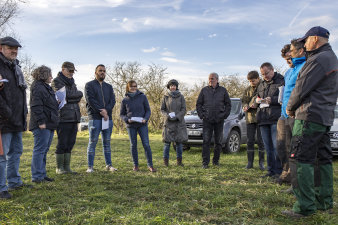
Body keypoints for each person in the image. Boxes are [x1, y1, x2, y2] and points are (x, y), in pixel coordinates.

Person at [283, 26, 338, 218]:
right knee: (323, 158)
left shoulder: (318, 59)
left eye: (306, 40)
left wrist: (290, 107)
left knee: (300, 158)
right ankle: (324, 201)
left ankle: (305, 206)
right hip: (324, 116)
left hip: (309, 115)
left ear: (315, 39)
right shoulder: (330, 57)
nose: (304, 44)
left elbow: (301, 87)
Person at [0, 37, 29, 199]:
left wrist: (23, 112)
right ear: (1, 48)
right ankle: (1, 187)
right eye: (10, 48)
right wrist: (6, 112)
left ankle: (14, 181)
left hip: (17, 118)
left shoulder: (15, 66)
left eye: (16, 48)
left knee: (16, 151)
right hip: (4, 119)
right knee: (1, 156)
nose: (14, 51)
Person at [276, 41, 306, 191]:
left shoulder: (304, 66)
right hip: (284, 115)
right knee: (284, 147)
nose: (288, 62)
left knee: (296, 150)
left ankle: (298, 184)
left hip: (296, 114)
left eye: (289, 58)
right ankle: (288, 177)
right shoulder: (288, 72)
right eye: (285, 60)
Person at [52, 62, 83, 174]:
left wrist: (75, 95)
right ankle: (59, 168)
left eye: (73, 71)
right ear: (63, 69)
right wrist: (75, 94)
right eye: (70, 71)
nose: (72, 73)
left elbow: (78, 95)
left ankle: (67, 167)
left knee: (71, 142)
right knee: (62, 142)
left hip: (74, 116)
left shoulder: (72, 83)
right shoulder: (56, 81)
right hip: (63, 117)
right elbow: (65, 96)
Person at [29, 66, 59, 183]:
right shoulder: (37, 87)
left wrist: (56, 102)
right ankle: (37, 176)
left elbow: (47, 103)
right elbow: (36, 106)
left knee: (44, 150)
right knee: (40, 150)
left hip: (49, 123)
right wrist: (41, 122)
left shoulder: (46, 87)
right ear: (44, 74)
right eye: (50, 74)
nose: (51, 77)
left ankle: (42, 174)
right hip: (42, 124)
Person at [84, 64, 116, 173]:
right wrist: (101, 111)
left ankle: (109, 165)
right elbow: (90, 100)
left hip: (107, 118)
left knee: (107, 142)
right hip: (95, 118)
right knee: (92, 142)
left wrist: (106, 111)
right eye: (100, 71)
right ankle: (90, 167)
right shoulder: (89, 85)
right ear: (95, 72)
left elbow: (113, 101)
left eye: (104, 71)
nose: (102, 72)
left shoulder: (109, 87)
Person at [196, 72, 231, 169]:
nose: (210, 80)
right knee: (206, 141)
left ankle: (216, 161)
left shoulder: (223, 90)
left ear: (217, 80)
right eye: (209, 78)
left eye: (212, 78)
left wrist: (224, 115)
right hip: (207, 120)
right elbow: (198, 104)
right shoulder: (204, 90)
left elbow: (228, 104)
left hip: (219, 120)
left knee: (218, 142)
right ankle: (205, 163)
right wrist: (201, 115)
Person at [255, 62, 284, 178]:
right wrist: (257, 101)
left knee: (276, 146)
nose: (265, 76)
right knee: (268, 147)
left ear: (272, 70)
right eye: (262, 74)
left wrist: (272, 100)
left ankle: (278, 171)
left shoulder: (281, 80)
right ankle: (270, 171)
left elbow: (284, 97)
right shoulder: (261, 84)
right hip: (263, 119)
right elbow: (257, 97)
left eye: (266, 73)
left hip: (275, 118)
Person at [120, 80, 156, 172]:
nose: (133, 88)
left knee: (146, 144)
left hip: (142, 125)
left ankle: (150, 165)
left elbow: (148, 110)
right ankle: (135, 165)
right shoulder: (125, 100)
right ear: (128, 87)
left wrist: (145, 118)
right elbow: (122, 114)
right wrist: (127, 120)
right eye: (131, 86)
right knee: (133, 145)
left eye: (135, 86)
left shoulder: (142, 97)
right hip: (131, 126)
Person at [161, 79, 188, 167]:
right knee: (167, 143)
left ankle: (179, 162)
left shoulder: (181, 97)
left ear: (176, 87)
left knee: (179, 143)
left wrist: (178, 116)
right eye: (171, 85)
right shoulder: (165, 96)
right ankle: (166, 162)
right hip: (168, 123)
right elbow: (162, 109)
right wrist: (167, 116)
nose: (173, 87)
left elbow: (184, 109)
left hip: (179, 123)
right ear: (169, 87)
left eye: (174, 85)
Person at [241, 71, 265, 170]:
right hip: (250, 118)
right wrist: (245, 106)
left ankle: (261, 163)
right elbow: (243, 101)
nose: (252, 83)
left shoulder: (263, 86)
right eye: (250, 81)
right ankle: (250, 163)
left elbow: (265, 99)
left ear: (258, 78)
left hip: (261, 117)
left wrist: (258, 103)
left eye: (253, 81)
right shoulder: (247, 89)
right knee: (250, 141)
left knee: (260, 141)